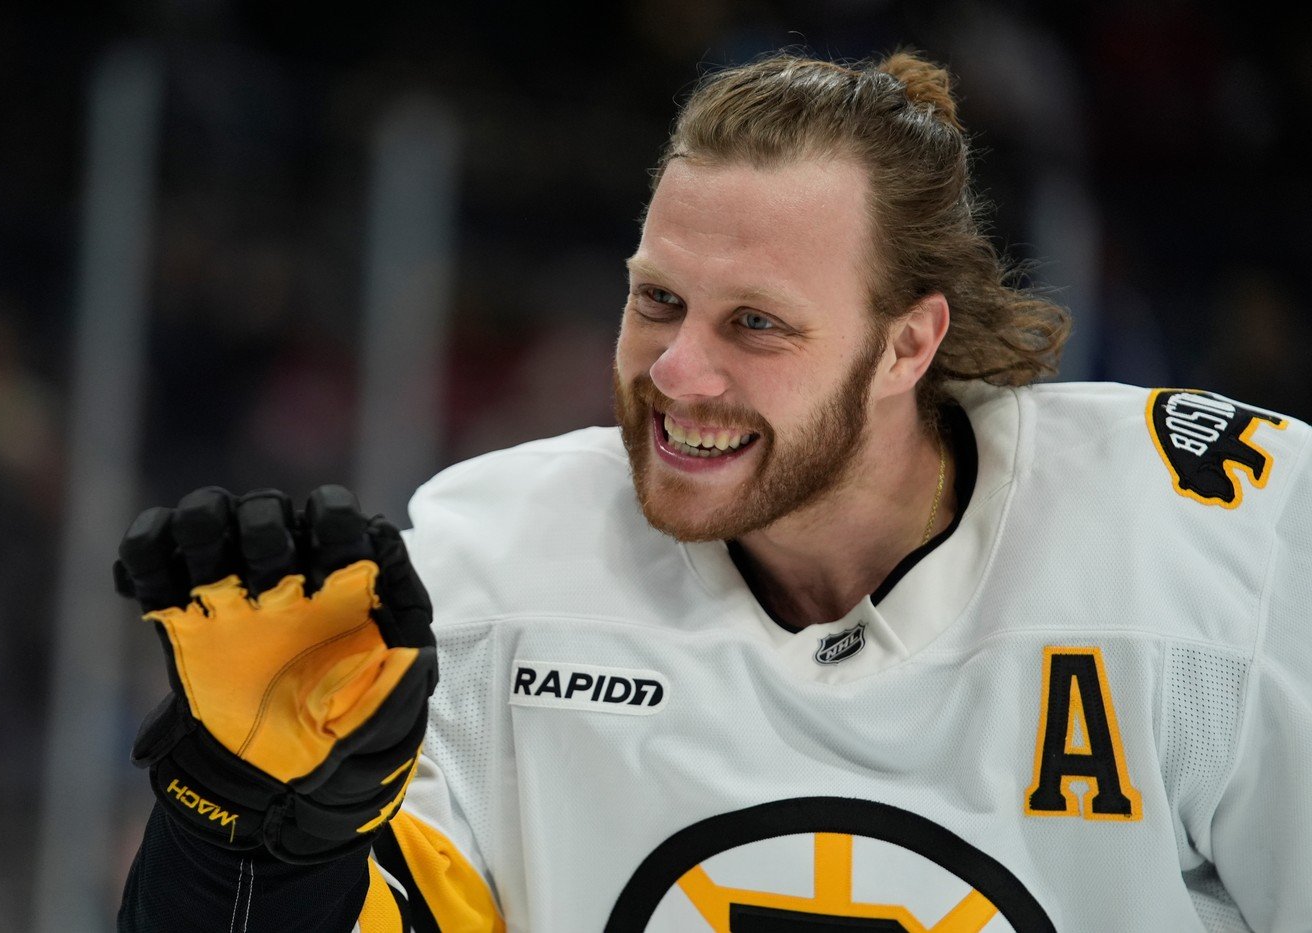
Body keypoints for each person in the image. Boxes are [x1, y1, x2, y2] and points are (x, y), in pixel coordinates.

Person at [114, 50, 1312, 932]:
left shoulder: (1210, 551)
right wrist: (249, 830)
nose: (676, 373)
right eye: (656, 301)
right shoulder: (496, 568)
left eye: (755, 323)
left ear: (907, 345)